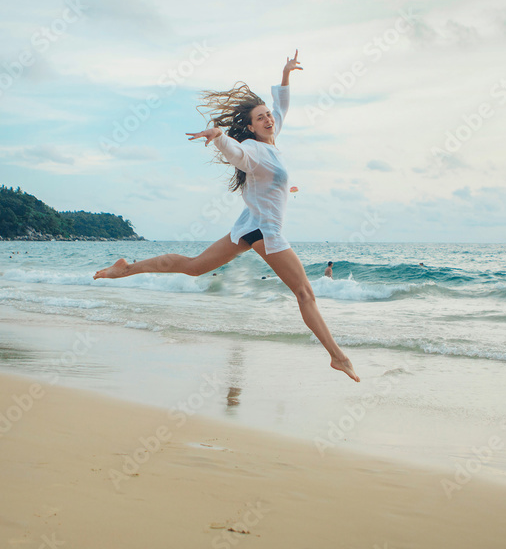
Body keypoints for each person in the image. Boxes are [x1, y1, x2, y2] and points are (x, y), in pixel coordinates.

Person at [94, 51, 359, 383]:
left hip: (250, 226)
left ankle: (126, 269)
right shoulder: (254, 150)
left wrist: (285, 75)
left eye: (268, 116)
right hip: (265, 231)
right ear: (250, 126)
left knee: (193, 267)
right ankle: (338, 357)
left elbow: (282, 109)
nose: (269, 120)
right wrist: (220, 138)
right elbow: (237, 153)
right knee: (305, 293)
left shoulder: (272, 141)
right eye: (261, 118)